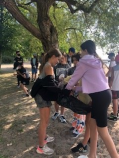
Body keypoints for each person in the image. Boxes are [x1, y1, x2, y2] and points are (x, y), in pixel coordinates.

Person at [65, 40, 119, 158]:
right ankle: (92, 155)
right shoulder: (96, 61)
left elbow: (73, 78)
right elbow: (93, 85)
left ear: (85, 50)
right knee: (92, 125)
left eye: (81, 50)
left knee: (103, 132)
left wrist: (67, 88)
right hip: (104, 95)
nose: (80, 53)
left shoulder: (84, 63)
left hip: (100, 98)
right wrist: (75, 89)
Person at [34, 48, 62, 155]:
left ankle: (44, 137)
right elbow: (51, 85)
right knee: (44, 122)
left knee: (46, 120)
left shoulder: (47, 65)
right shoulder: (48, 67)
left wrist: (58, 83)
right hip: (42, 96)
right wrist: (62, 89)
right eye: (58, 59)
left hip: (44, 95)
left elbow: (49, 82)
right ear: (53, 57)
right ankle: (41, 147)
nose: (58, 62)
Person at [52, 52, 70, 123]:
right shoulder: (56, 66)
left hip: (64, 87)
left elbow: (70, 78)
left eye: (62, 58)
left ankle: (62, 114)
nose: (61, 60)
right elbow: (53, 75)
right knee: (56, 100)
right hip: (56, 86)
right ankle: (56, 112)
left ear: (65, 58)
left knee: (63, 101)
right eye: (60, 58)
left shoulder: (68, 67)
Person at [108, 54, 119, 121]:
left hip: (115, 87)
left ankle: (115, 116)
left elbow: (111, 79)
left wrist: (109, 87)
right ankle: (116, 112)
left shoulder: (114, 68)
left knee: (115, 101)